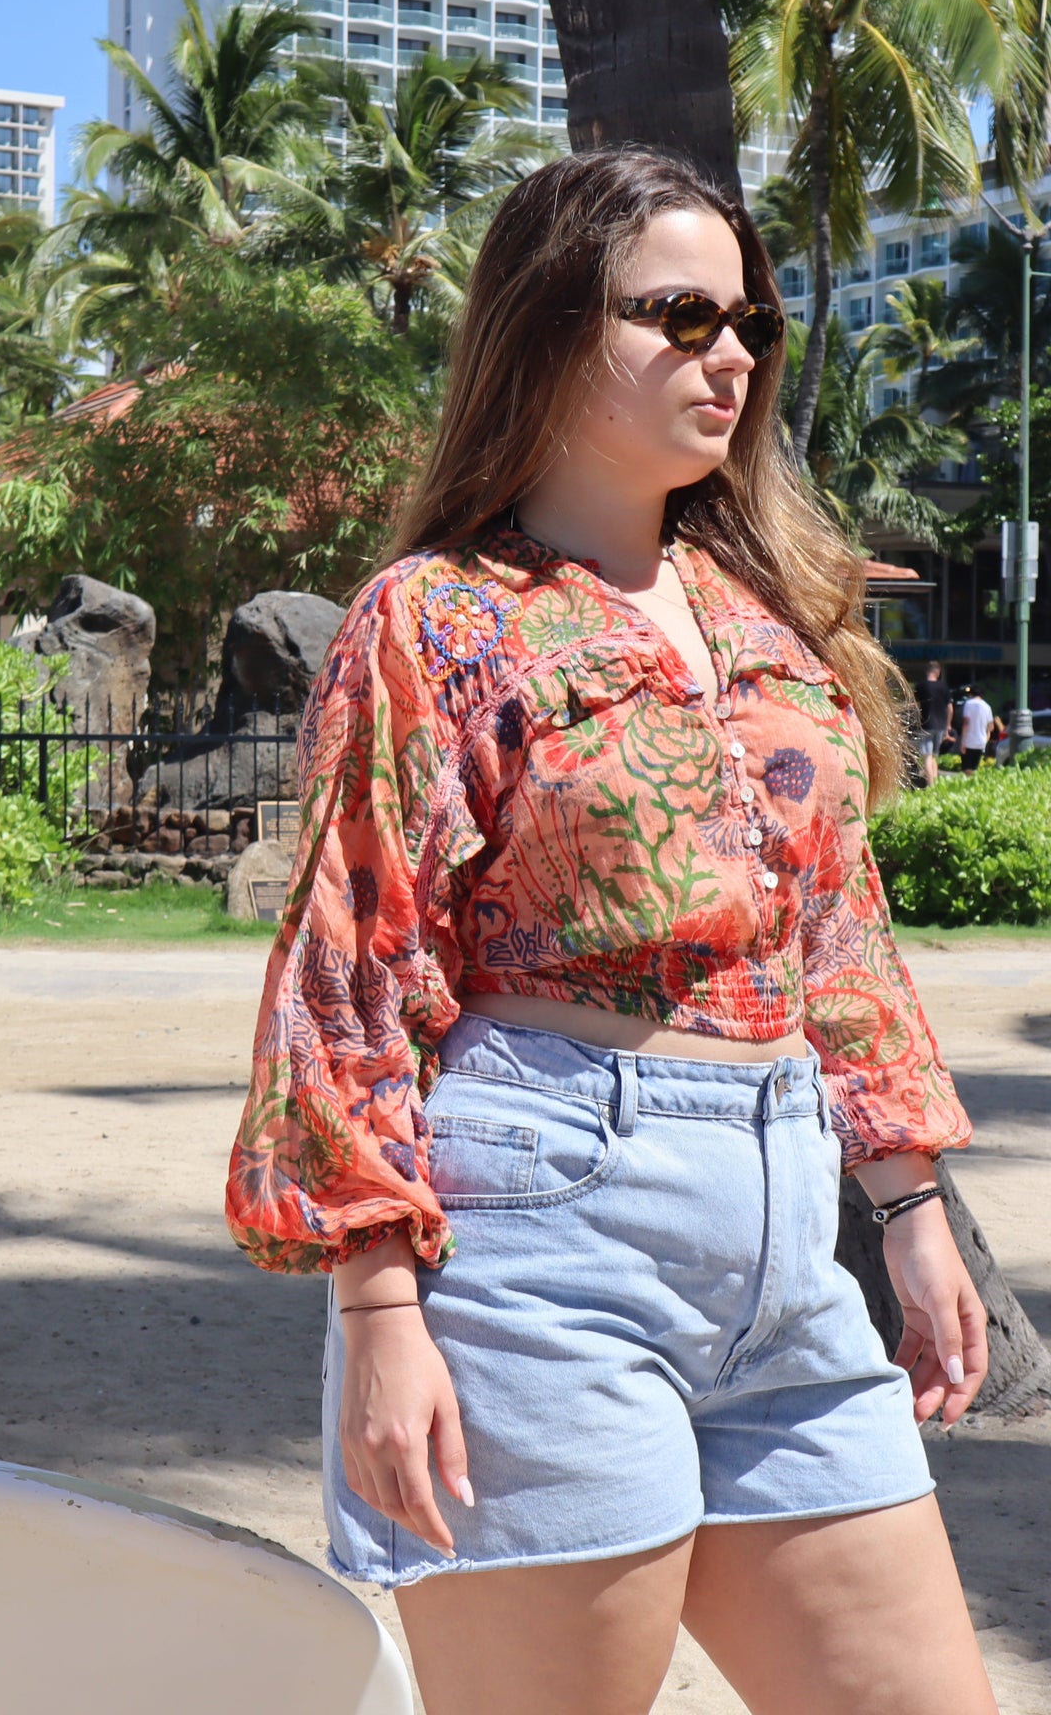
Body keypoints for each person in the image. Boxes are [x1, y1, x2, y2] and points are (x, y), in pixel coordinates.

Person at [227, 151, 994, 1715]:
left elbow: (835, 928)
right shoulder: (438, 616)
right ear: (553, 326)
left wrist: (908, 1204)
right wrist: (378, 1314)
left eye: (753, 323)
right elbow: (355, 970)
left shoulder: (769, 615)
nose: (732, 352)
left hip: (790, 1237)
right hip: (543, 1235)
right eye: (682, 313)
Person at [914, 661, 954, 785]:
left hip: (926, 725)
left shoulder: (920, 686)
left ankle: (930, 785)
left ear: (927, 672)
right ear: (938, 672)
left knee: (927, 757)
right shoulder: (944, 687)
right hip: (941, 726)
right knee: (934, 757)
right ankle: (935, 785)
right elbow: (950, 709)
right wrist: (948, 726)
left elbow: (915, 705)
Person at [959, 685, 997, 775]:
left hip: (969, 741)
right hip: (981, 742)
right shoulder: (987, 706)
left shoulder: (968, 704)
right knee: (974, 767)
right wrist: (986, 739)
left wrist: (962, 742)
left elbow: (966, 723)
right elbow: (991, 727)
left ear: (971, 694)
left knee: (967, 768)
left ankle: (968, 786)